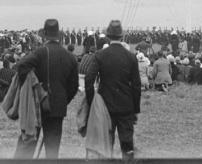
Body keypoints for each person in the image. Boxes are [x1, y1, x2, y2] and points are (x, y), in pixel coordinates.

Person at [12, 19, 80, 159]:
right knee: (52, 150)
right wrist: (62, 100)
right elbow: (73, 87)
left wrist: (34, 87)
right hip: (58, 107)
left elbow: (21, 66)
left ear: (45, 36)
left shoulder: (40, 52)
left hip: (38, 105)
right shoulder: (71, 57)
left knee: (28, 142)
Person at [85, 20, 142, 162]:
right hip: (126, 104)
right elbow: (136, 85)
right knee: (127, 143)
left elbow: (88, 80)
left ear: (108, 37)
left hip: (105, 105)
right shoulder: (130, 57)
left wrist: (93, 102)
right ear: (122, 37)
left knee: (105, 144)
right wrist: (135, 109)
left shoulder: (100, 55)